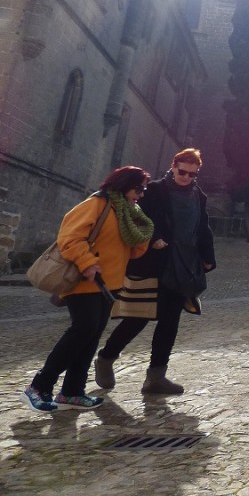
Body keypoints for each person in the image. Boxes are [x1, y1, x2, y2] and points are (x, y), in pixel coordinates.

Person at [22, 167, 153, 412]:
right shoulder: (97, 204)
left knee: (92, 335)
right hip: (85, 281)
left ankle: (72, 391)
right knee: (83, 330)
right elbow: (69, 238)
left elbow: (134, 251)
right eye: (139, 188)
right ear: (125, 185)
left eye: (143, 189)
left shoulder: (128, 212)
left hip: (110, 284)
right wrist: (87, 263)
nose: (141, 194)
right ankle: (38, 386)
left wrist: (140, 230)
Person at [95, 148, 216, 396]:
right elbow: (139, 218)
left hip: (182, 265)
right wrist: (154, 238)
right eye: (182, 171)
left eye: (192, 174)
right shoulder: (154, 191)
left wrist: (207, 257)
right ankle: (106, 358)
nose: (186, 177)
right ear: (173, 167)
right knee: (137, 318)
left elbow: (202, 226)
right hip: (152, 263)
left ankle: (156, 378)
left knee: (169, 323)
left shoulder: (198, 196)